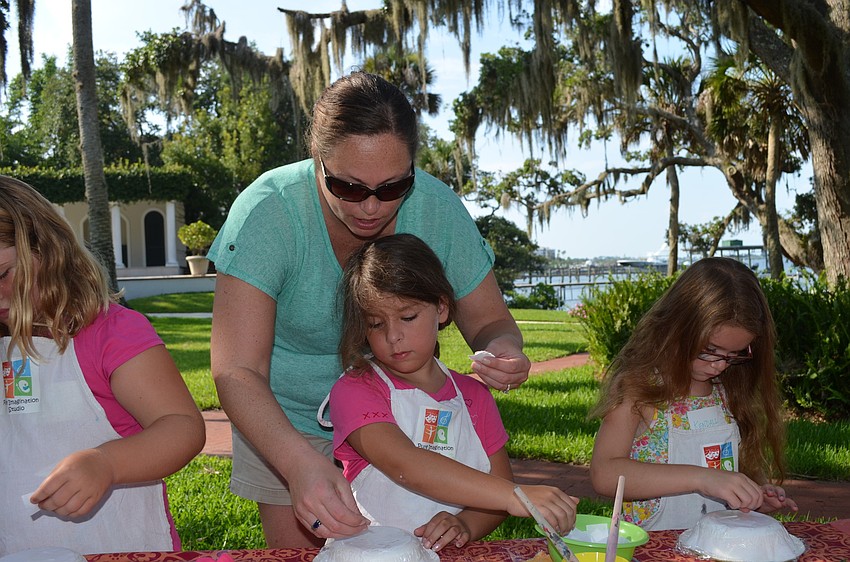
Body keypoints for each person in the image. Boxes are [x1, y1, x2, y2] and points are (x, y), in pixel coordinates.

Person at [208, 71, 531, 548]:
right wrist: (298, 463)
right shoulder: (269, 213)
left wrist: (502, 348)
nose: (372, 207)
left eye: (394, 186)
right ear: (316, 158)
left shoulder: (438, 210)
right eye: (349, 187)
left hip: (410, 425)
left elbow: (490, 321)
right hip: (284, 423)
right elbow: (236, 369)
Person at [326, 233, 578, 552]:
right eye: (376, 324)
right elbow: (406, 466)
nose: (393, 336)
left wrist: (465, 525)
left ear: (442, 308)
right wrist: (515, 496)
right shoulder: (355, 389)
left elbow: (496, 488)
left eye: (407, 317)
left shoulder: (475, 397)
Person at [0, 176, 206, 555]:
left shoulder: (111, 332)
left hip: (118, 546)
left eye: (3, 274)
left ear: (47, 249)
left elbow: (183, 428)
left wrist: (106, 463)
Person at [589, 257, 798, 531]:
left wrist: (752, 497)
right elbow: (604, 474)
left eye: (734, 354)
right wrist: (701, 478)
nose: (720, 365)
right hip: (654, 548)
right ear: (678, 328)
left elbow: (722, 469)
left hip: (719, 546)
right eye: (710, 350)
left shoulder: (726, 393)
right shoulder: (640, 389)